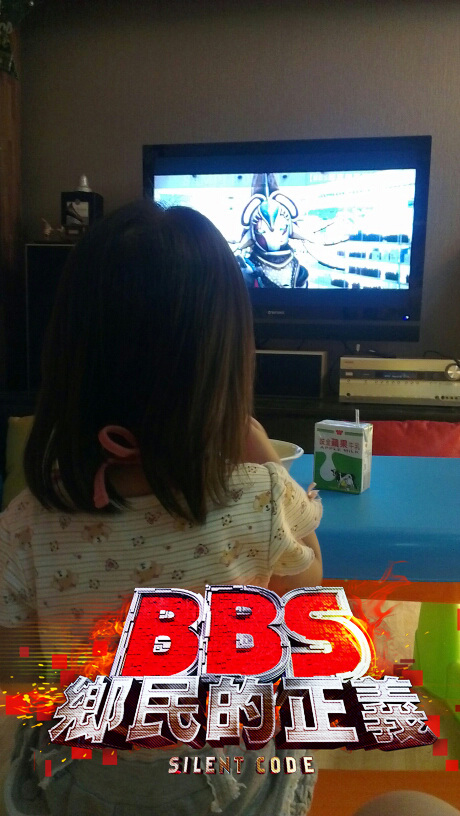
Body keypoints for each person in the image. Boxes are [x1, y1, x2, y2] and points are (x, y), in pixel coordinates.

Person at [0, 200, 323, 816]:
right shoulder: (260, 495)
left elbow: (17, 680)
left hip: (84, 783)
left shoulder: (25, 522)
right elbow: (308, 587)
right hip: (226, 785)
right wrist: (258, 447)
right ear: (225, 362)